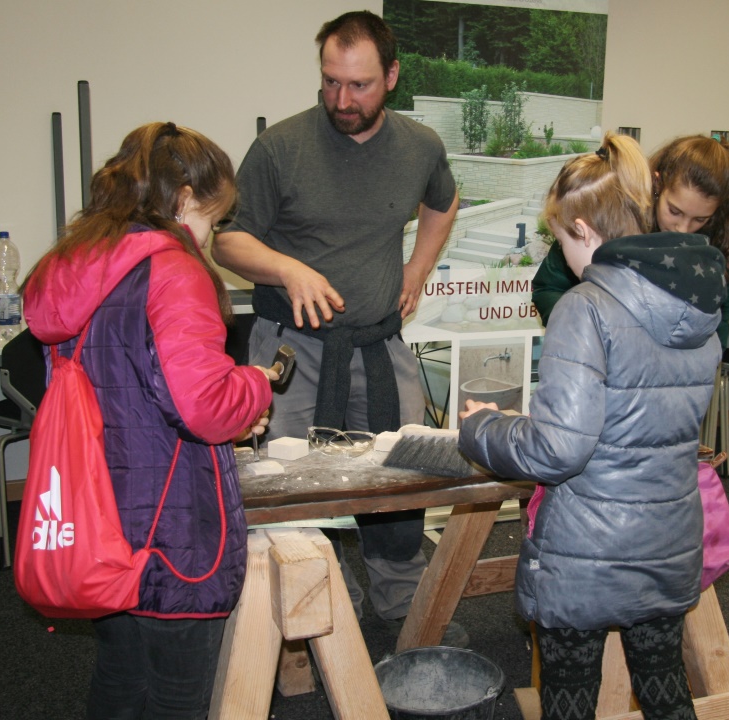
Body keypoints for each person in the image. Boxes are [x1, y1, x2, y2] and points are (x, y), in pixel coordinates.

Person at [212, 10, 463, 644]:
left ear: (392, 78)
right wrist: (287, 269)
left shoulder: (419, 146)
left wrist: (418, 267)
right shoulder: (281, 148)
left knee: (400, 479)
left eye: (359, 86)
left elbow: (443, 200)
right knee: (294, 492)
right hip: (291, 351)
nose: (341, 100)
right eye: (330, 83)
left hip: (379, 346)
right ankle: (320, 617)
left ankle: (403, 609)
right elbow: (228, 242)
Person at [458, 133, 725, 720]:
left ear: (583, 231)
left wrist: (483, 429)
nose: (563, 255)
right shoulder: (698, 307)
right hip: (668, 539)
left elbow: (558, 450)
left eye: (560, 238)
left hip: (588, 548)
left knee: (570, 695)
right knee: (663, 686)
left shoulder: (585, 307)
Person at [22, 122, 275, 718]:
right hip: (171, 530)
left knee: (120, 673)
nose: (211, 238)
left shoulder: (75, 266)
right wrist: (255, 384)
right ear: (184, 199)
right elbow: (202, 408)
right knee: (178, 693)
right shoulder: (174, 271)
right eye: (214, 219)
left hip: (101, 520)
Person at [532, 133, 729, 348]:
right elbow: (547, 287)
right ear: (658, 184)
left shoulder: (722, 245)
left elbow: (717, 328)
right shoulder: (619, 214)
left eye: (700, 219)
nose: (683, 229)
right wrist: (580, 332)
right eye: (674, 211)